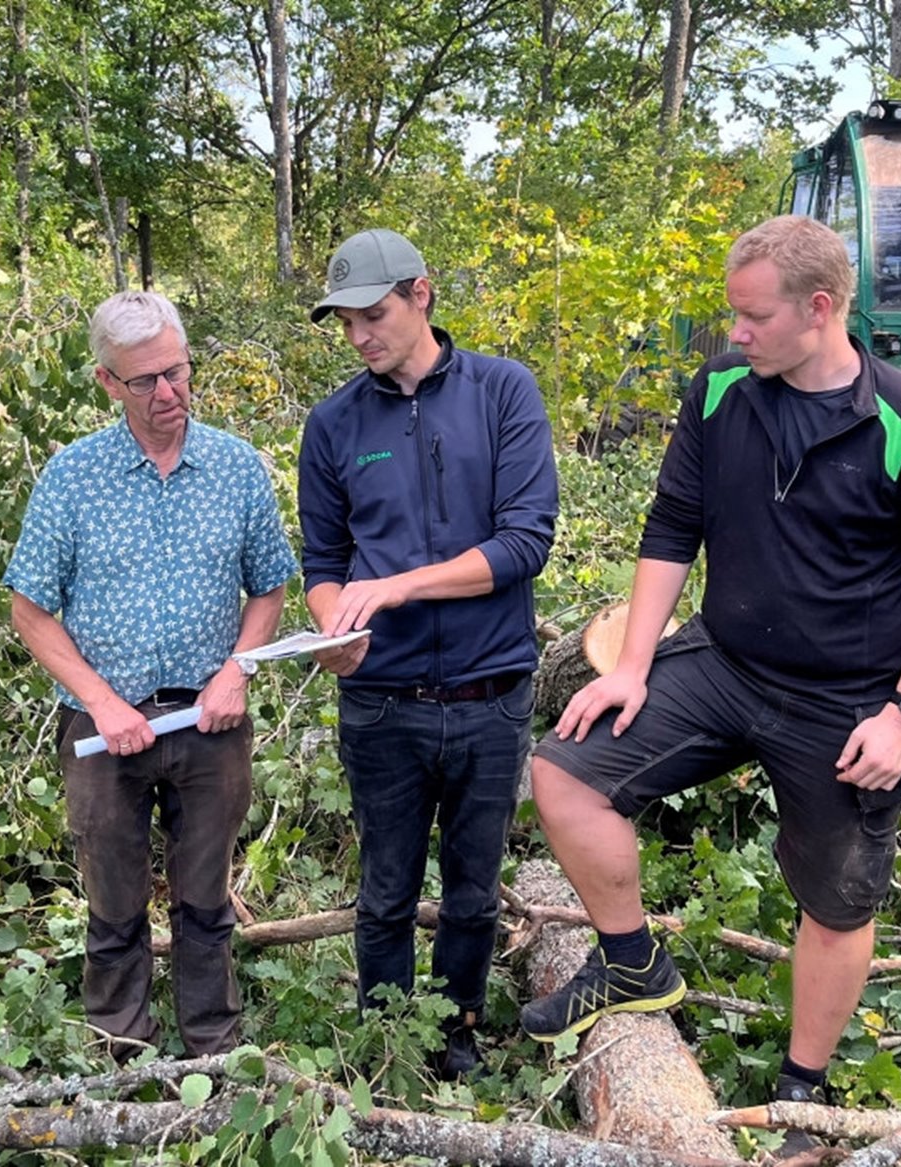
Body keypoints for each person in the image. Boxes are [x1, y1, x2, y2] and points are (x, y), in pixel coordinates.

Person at [519, 215, 901, 1109]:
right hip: (726, 665)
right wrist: (630, 663)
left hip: (848, 699)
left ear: (819, 309)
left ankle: (801, 1092)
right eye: (732, 316)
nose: (734, 332)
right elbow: (673, 524)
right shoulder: (723, 388)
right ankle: (631, 962)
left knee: (838, 899)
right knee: (565, 773)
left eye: (752, 316)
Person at [4, 291, 297, 1061]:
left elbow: (271, 583)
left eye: (178, 372)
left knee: (205, 899)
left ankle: (214, 1048)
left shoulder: (234, 467)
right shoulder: (74, 477)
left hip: (211, 721)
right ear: (108, 383)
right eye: (145, 382)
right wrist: (101, 703)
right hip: (105, 732)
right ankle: (121, 1055)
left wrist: (236, 670)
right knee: (114, 902)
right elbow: (29, 610)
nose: (168, 394)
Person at [297, 228, 559, 1078]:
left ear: (422, 294)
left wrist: (400, 587)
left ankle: (455, 1037)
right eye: (344, 322)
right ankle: (382, 1044)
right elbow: (325, 563)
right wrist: (335, 629)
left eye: (372, 314)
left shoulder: (502, 393)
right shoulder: (334, 423)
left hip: (491, 694)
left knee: (474, 891)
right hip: (382, 701)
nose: (359, 335)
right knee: (384, 890)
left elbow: (524, 543)